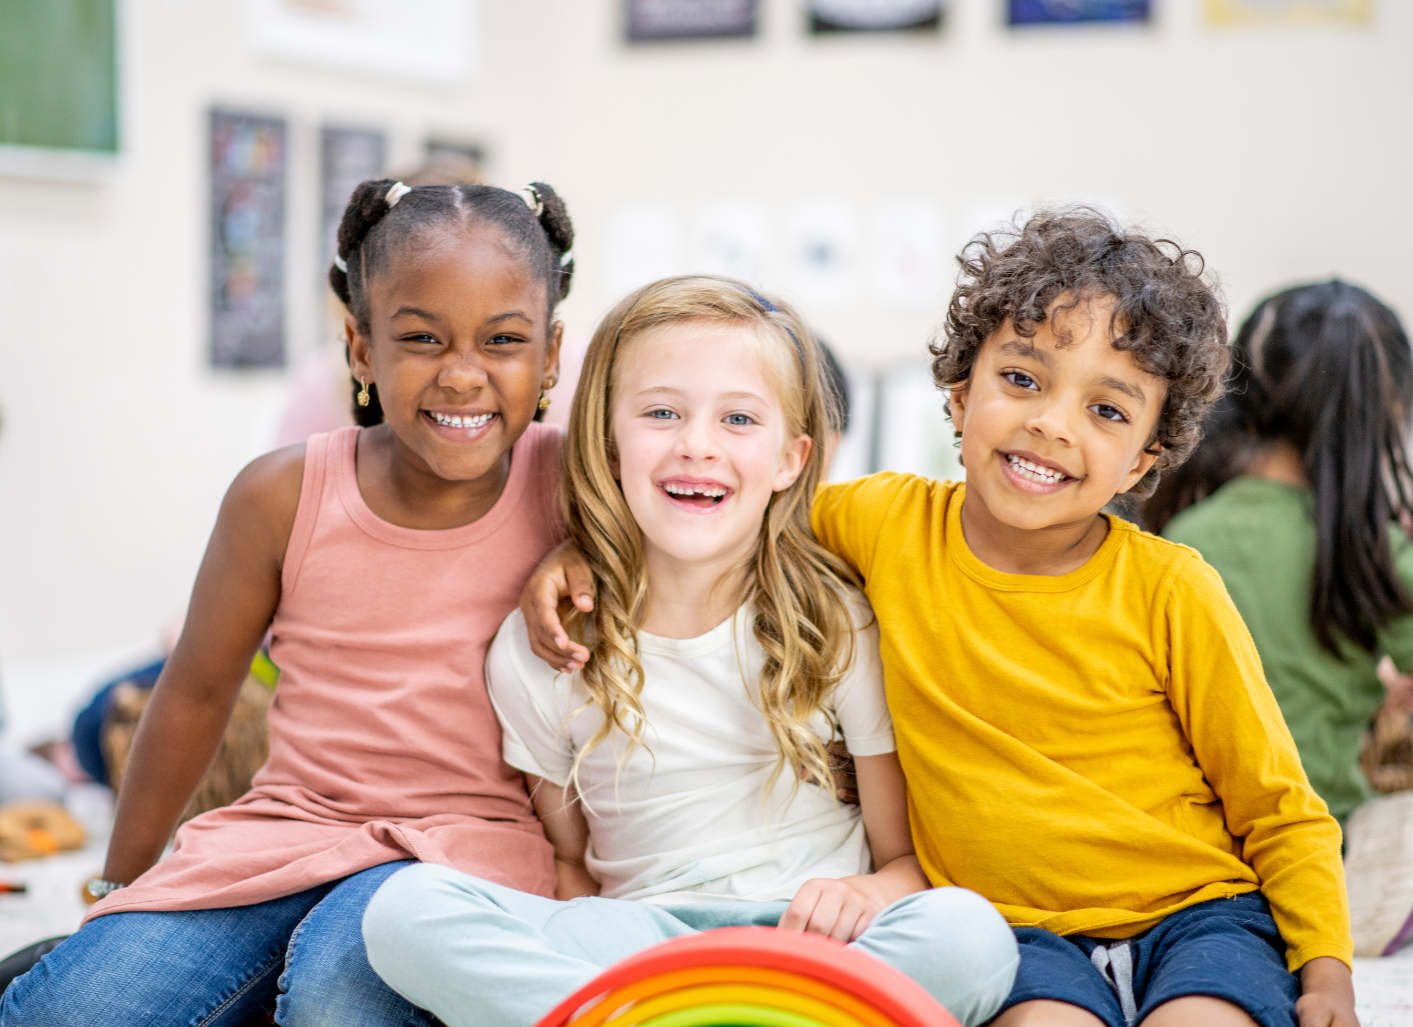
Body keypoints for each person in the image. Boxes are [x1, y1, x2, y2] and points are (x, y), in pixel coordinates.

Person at [520, 211, 1359, 1027]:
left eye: (1106, 410)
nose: (1049, 422)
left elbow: (1278, 804)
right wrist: (589, 553)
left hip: (1196, 910)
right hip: (1013, 928)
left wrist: (1327, 973)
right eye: (1021, 378)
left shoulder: (1172, 586)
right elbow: (723, 522)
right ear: (958, 396)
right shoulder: (881, 521)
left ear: (1143, 458)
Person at [360, 276, 1020, 1027]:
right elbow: (570, 864)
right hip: (640, 945)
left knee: (970, 933)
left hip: (810, 940)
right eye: (662, 412)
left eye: (738, 418)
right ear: (607, 442)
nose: (696, 444)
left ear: (789, 459)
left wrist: (865, 894)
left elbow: (900, 858)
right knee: (403, 911)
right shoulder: (544, 643)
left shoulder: (836, 620)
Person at [1, 177, 575, 1026]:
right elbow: (194, 691)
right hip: (285, 830)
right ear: (358, 346)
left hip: (462, 855)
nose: (462, 374)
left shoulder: (576, 485)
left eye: (502, 339)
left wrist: (574, 552)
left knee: (329, 998)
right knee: (66, 1009)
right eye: (419, 337)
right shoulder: (280, 493)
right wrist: (118, 887)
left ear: (551, 354)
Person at [1149, 281, 1413, 824]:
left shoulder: (1178, 533)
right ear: (1383, 414)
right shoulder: (1375, 555)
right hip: (1327, 834)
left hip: (1201, 839)